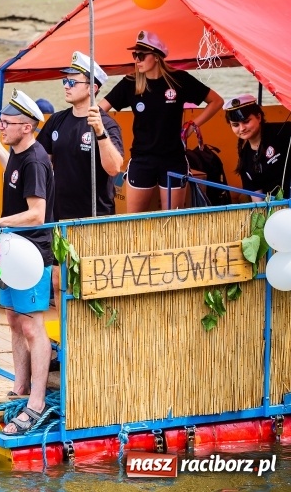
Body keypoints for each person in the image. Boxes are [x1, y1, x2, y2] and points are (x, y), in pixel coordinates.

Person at [0, 89, 55, 435]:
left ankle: (36, 401)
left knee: (32, 324)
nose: (1, 125)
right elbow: (13, 176)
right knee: (13, 318)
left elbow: (37, 214)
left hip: (32, 252)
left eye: (7, 123)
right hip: (13, 248)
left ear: (27, 127)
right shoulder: (19, 153)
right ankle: (19, 387)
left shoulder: (35, 159)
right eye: (1, 121)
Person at [98, 30, 223, 212]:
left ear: (156, 57)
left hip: (173, 159)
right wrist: (109, 136)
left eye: (141, 55)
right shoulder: (130, 83)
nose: (137, 60)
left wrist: (192, 125)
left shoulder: (178, 80)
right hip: (142, 159)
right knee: (134, 222)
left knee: (170, 222)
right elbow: (100, 110)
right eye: (135, 55)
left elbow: (216, 101)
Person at [36, 51, 124, 297]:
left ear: (92, 88)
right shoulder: (57, 121)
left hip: (93, 215)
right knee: (57, 280)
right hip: (60, 215)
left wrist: (100, 133)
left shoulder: (106, 124)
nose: (66, 86)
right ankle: (66, 334)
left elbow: (114, 168)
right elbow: (39, 161)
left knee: (89, 283)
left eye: (73, 81)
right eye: (65, 81)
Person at [226, 94, 291, 201]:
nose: (242, 128)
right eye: (235, 125)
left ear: (259, 117)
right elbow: (258, 200)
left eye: (246, 121)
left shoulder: (284, 131)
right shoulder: (245, 159)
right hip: (276, 211)